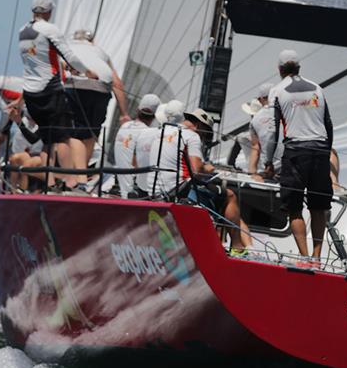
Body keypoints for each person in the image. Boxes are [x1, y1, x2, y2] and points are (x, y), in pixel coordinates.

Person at [13, 0, 94, 190]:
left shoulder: (22, 31)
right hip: (49, 90)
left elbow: (39, 57)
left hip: (30, 93)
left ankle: (50, 184)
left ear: (33, 10)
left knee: (47, 140)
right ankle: (70, 182)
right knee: (64, 137)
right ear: (49, 12)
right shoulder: (49, 29)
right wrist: (88, 72)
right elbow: (69, 55)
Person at [264, 50, 333, 262]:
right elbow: (329, 124)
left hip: (295, 152)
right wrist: (326, 151)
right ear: (299, 68)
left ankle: (305, 258)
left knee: (294, 208)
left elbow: (273, 131)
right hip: (321, 150)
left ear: (279, 69)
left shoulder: (276, 91)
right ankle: (317, 256)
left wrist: (268, 161)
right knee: (319, 207)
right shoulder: (317, 88)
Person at [146, 108, 247, 253]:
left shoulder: (160, 132)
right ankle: (238, 248)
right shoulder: (192, 136)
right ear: (200, 126)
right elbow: (196, 170)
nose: (204, 138)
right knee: (230, 196)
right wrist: (209, 168)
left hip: (153, 190)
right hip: (179, 190)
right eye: (205, 133)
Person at [64, 29, 130, 162]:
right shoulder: (100, 52)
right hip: (101, 87)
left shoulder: (66, 47)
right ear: (91, 41)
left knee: (72, 131)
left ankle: (71, 173)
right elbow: (117, 83)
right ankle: (82, 172)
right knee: (92, 133)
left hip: (76, 85)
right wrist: (124, 114)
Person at [114, 94, 161, 198]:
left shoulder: (124, 126)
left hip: (118, 185)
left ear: (138, 110)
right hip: (133, 191)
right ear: (154, 115)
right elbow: (139, 161)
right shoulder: (148, 133)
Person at [248, 83, 282, 180]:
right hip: (291, 168)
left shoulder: (255, 120)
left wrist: (251, 173)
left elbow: (256, 148)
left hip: (268, 171)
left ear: (260, 99)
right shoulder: (288, 113)